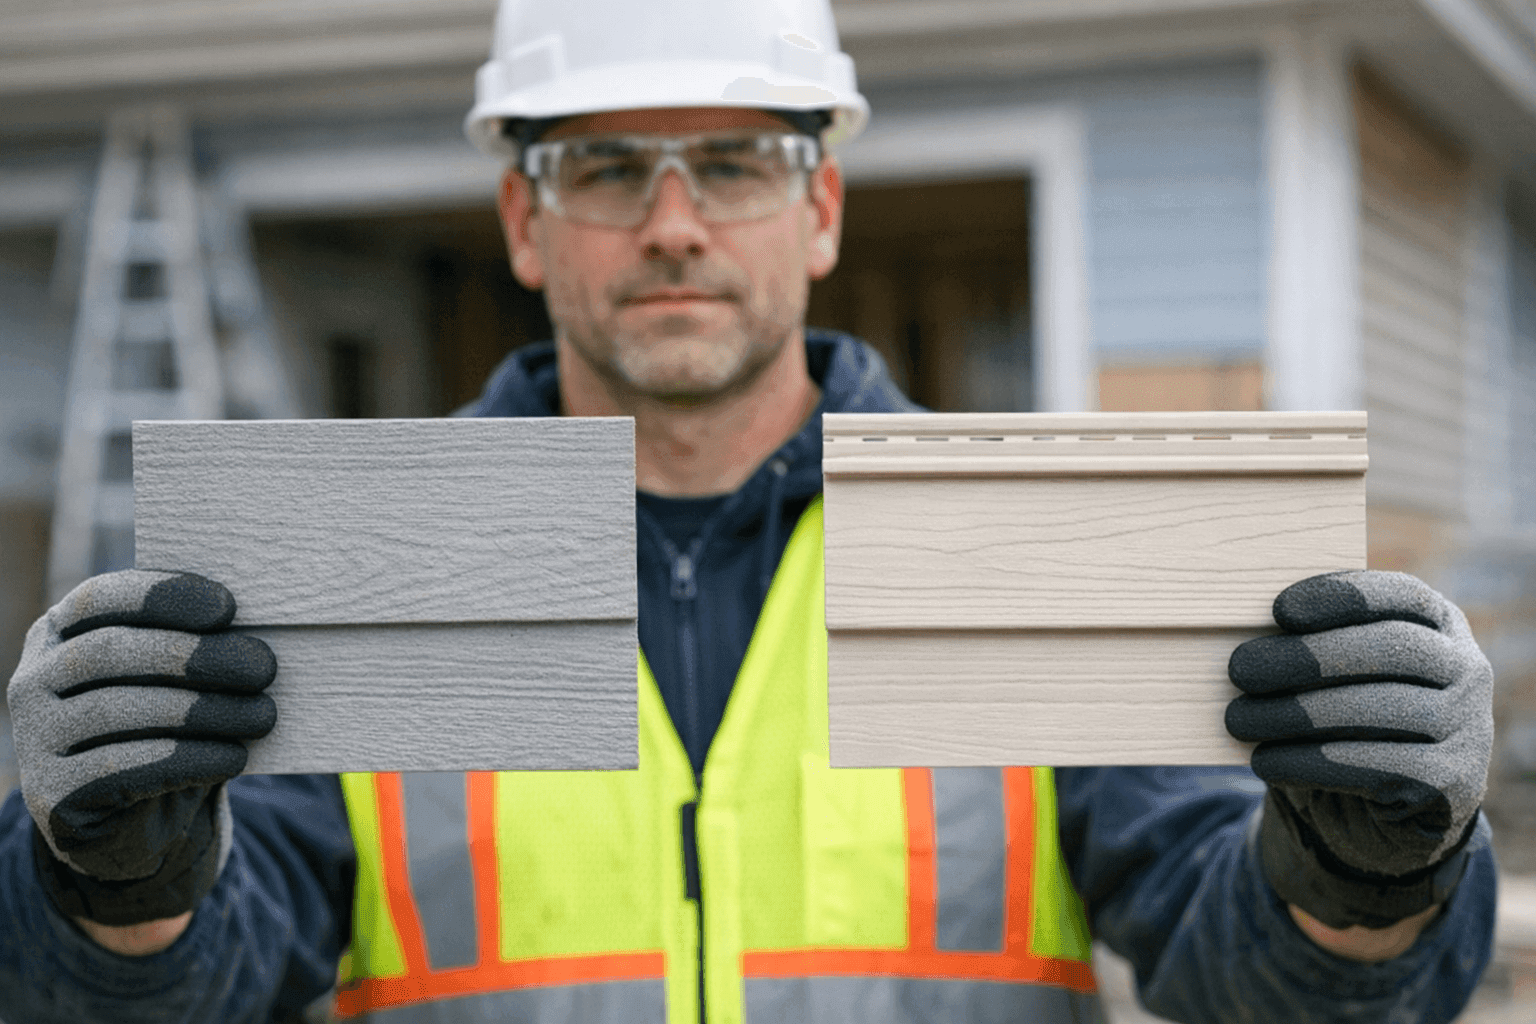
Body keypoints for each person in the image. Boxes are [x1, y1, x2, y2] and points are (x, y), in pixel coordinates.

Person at [0, 0, 1499, 1020]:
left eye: (731, 160)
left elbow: (1251, 965)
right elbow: (197, 974)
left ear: (824, 205)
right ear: (525, 218)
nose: (672, 221)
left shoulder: (1007, 546)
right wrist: (109, 885)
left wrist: (1361, 868)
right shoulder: (375, 561)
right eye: (604, 167)